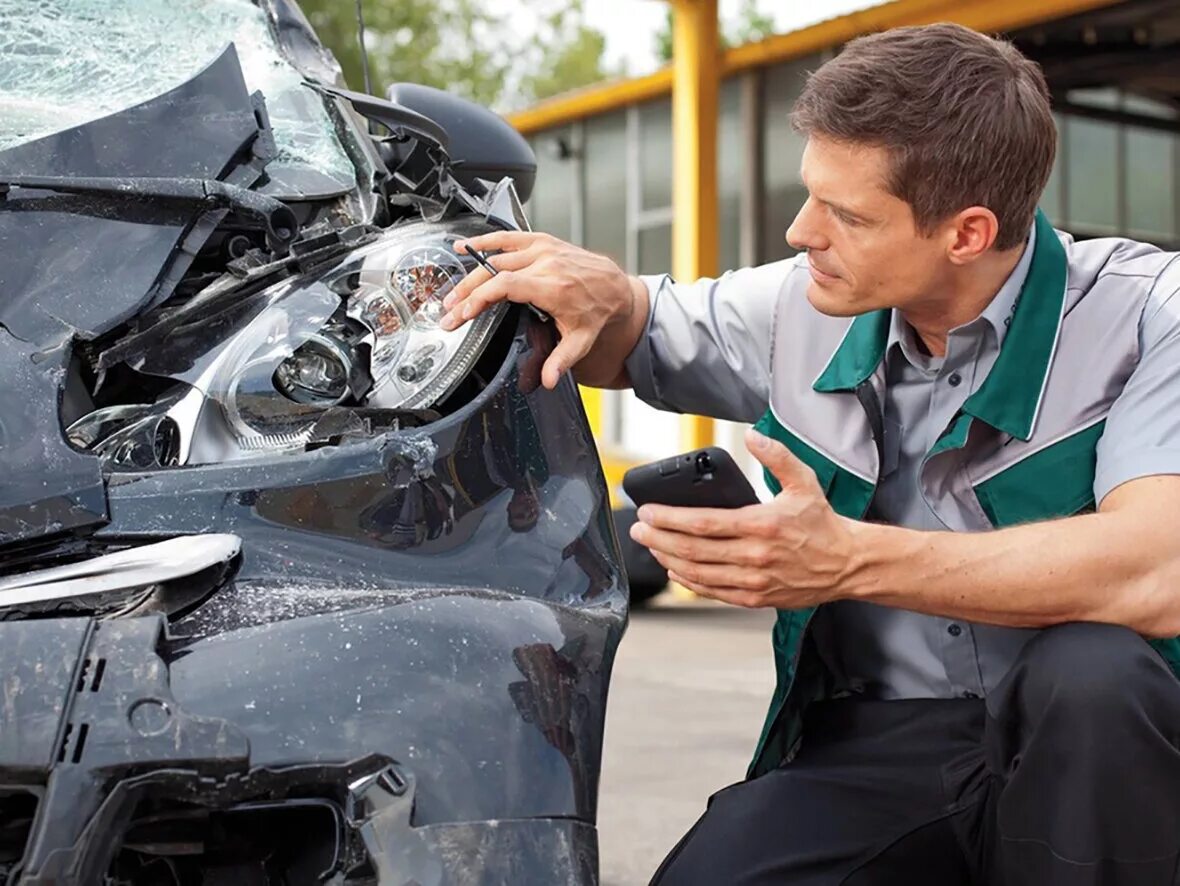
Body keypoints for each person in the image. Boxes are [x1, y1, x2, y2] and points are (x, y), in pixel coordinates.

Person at [441, 22, 1180, 885]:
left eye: (847, 214)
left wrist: (848, 560)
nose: (799, 232)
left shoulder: (1146, 315)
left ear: (968, 233)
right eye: (810, 195)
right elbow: (630, 328)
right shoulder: (800, 306)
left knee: (1090, 670)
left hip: (1105, 751)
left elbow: (1155, 571)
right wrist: (601, 293)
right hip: (893, 740)